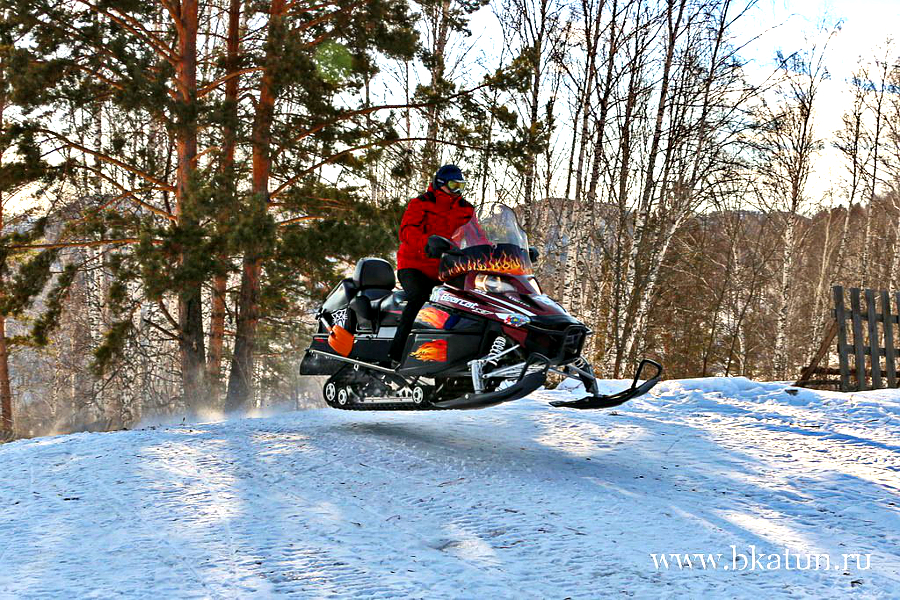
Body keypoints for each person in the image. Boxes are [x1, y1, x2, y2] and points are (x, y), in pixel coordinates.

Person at [389, 165, 474, 364]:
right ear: (441, 184)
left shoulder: (465, 208)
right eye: (453, 185)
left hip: (447, 268)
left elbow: (477, 234)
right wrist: (427, 243)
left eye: (461, 185)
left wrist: (498, 249)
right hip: (414, 265)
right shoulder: (421, 203)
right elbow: (407, 231)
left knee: (471, 301)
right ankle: (396, 354)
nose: (457, 190)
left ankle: (462, 352)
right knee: (418, 299)